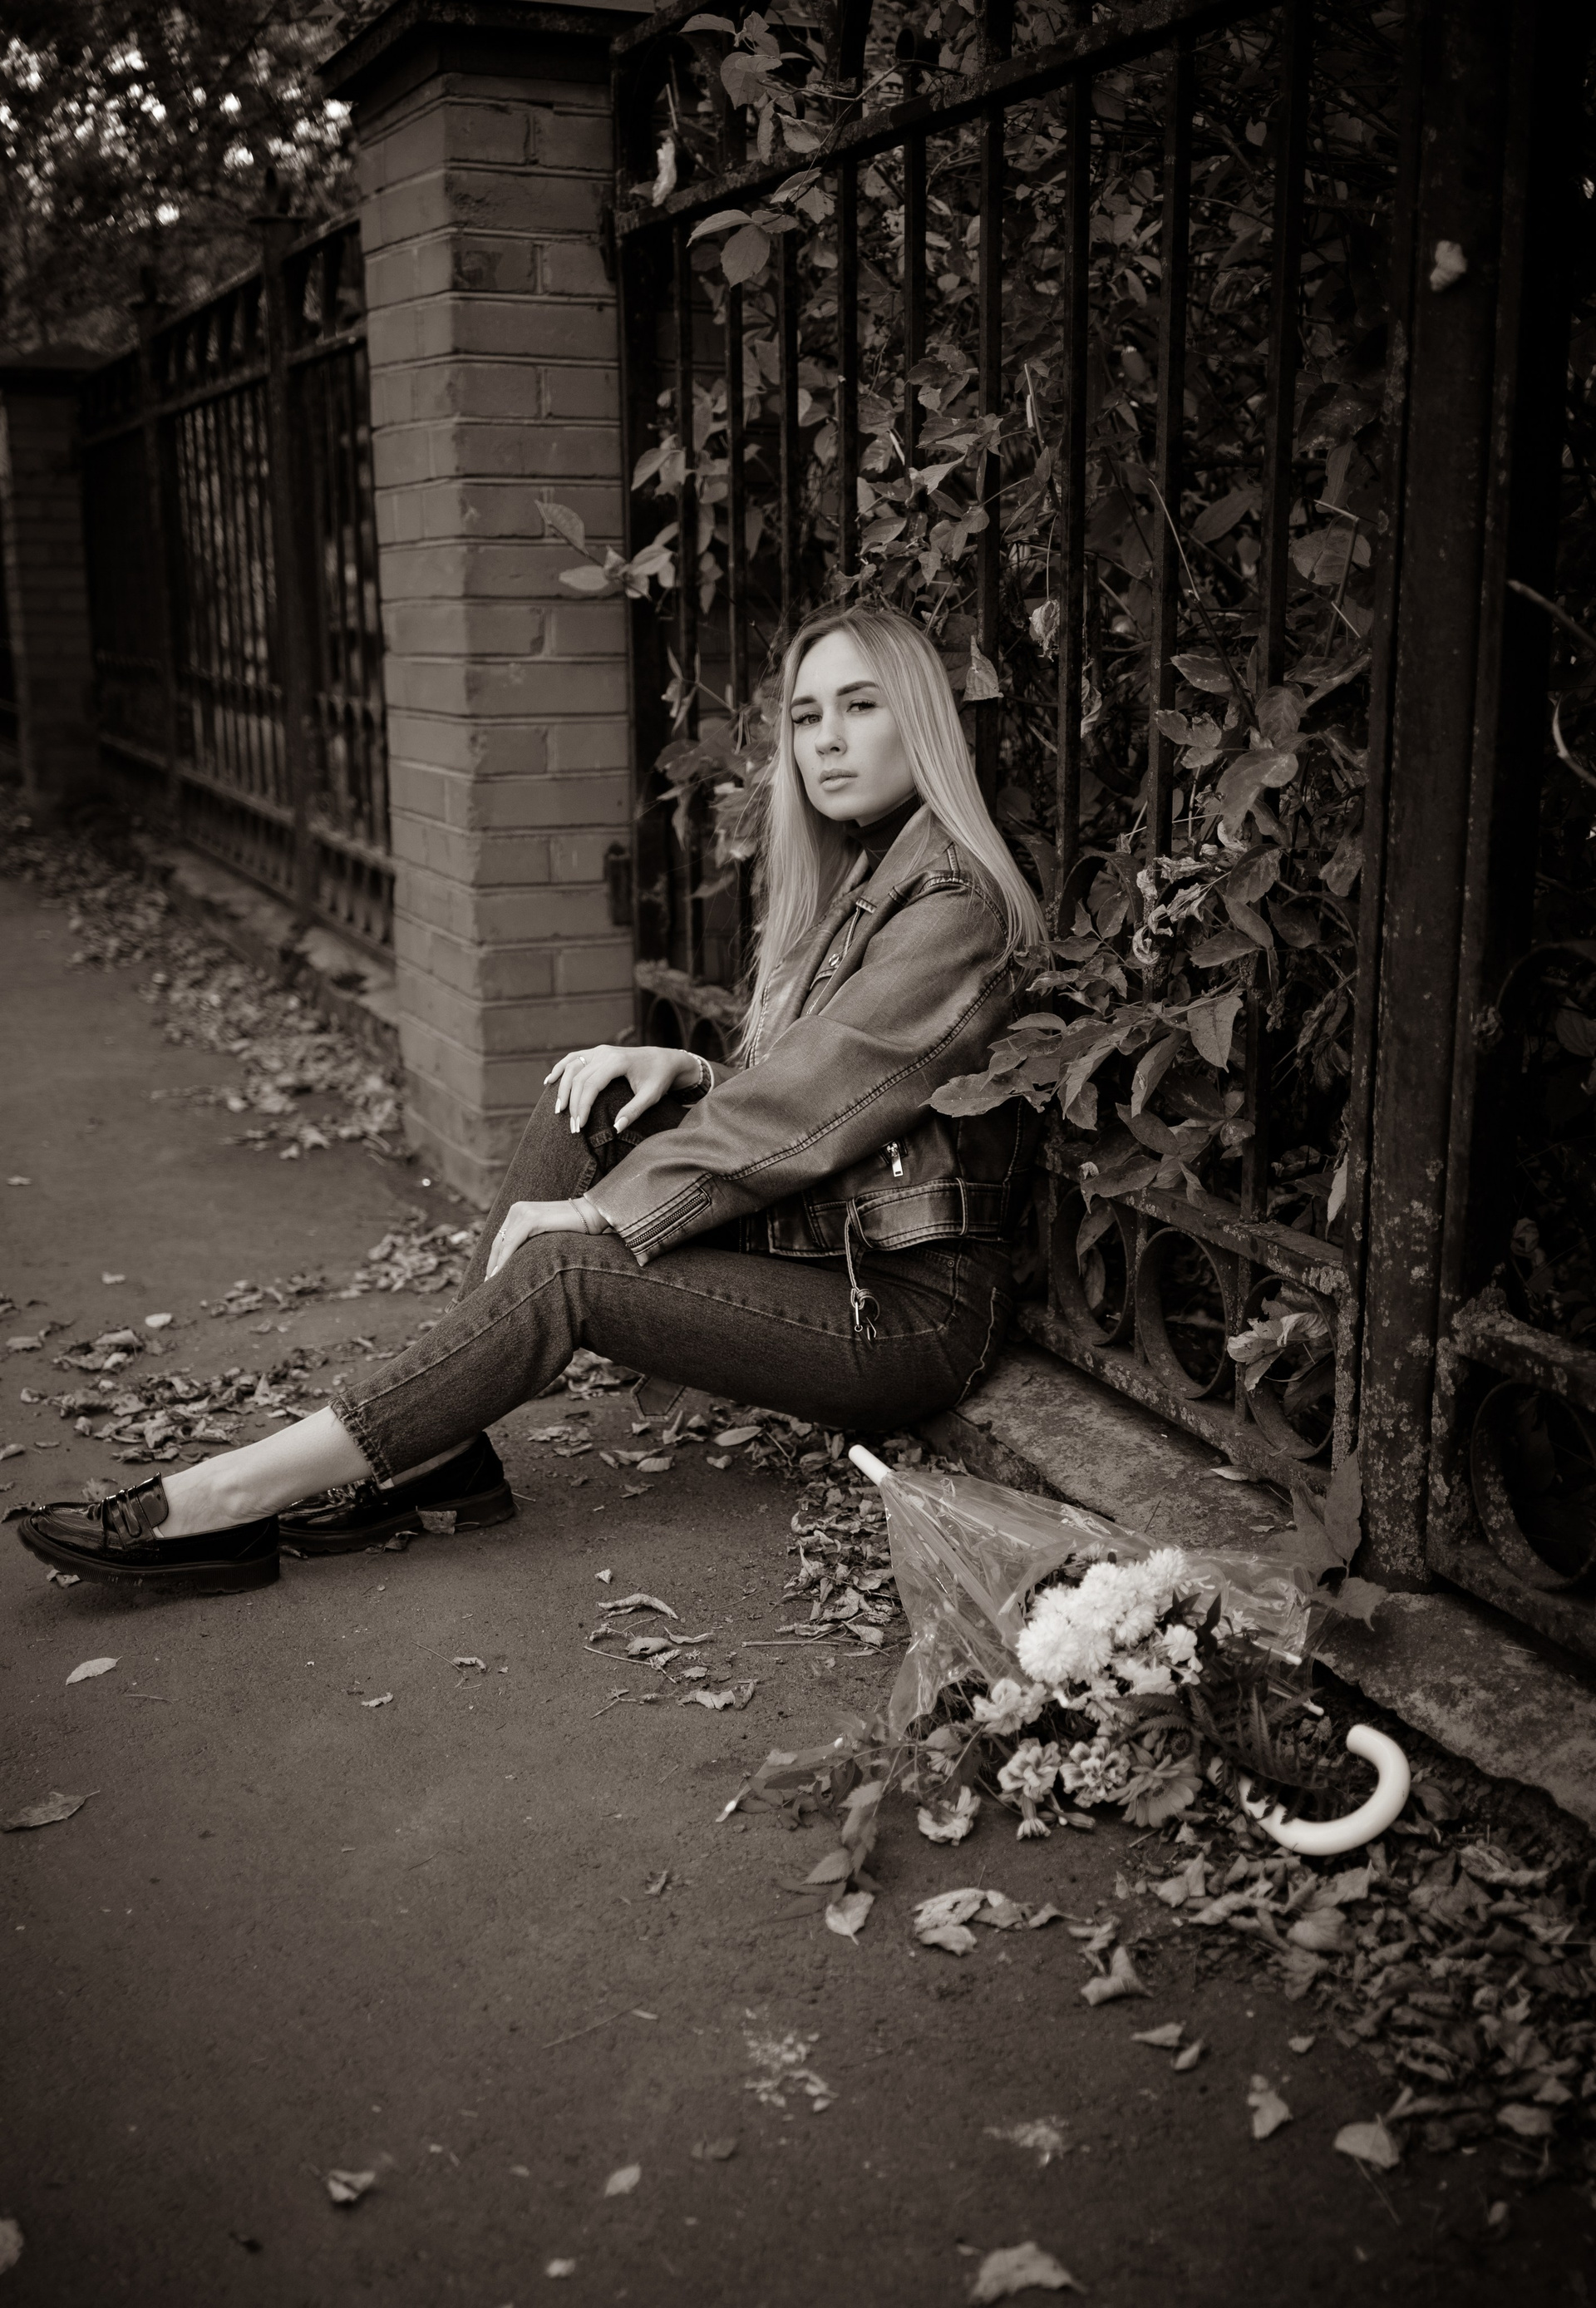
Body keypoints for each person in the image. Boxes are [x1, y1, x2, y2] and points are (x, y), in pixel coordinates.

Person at [11, 604, 1046, 1595]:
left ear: (921, 718)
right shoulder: (871, 874)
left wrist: (600, 1211)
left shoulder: (954, 902)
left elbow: (821, 1101)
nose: (828, 740)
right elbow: (851, 1093)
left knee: (564, 1267)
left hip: (904, 1310)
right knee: (586, 1099)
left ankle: (237, 1494)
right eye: (808, 715)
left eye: (861, 706)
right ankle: (435, 1449)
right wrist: (690, 1072)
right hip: (828, 1248)